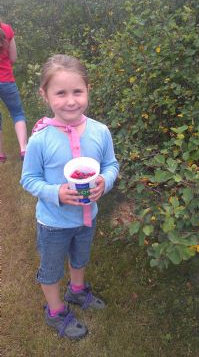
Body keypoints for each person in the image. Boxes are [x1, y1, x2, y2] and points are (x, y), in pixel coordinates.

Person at [20, 54, 119, 340]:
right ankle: (55, 311)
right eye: (60, 93)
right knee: (50, 269)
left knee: (80, 258)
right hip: (53, 223)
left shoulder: (100, 132)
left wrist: (105, 181)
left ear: (88, 89)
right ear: (45, 95)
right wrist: (56, 193)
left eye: (77, 91)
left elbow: (111, 165)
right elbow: (28, 179)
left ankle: (77, 291)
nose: (70, 100)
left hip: (88, 218)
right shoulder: (40, 139)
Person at [0, 20, 27, 162]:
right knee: (17, 113)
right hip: (6, 79)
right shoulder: (7, 29)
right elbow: (13, 58)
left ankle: (0, 154)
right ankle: (24, 149)